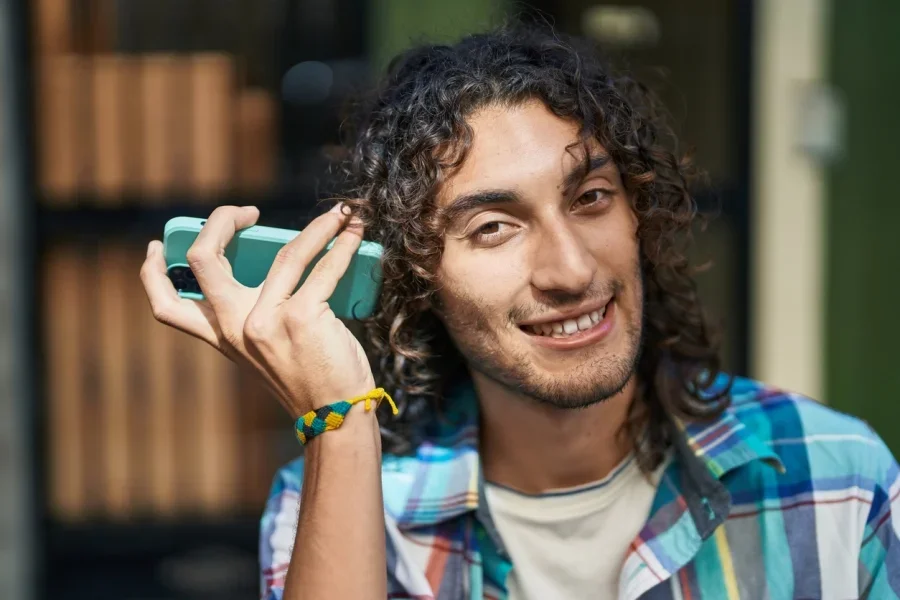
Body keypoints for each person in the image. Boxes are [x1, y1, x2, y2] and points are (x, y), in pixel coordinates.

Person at [140, 26, 900, 600]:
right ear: (414, 274)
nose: (572, 270)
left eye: (591, 198)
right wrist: (339, 423)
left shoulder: (835, 479)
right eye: (493, 227)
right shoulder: (345, 506)